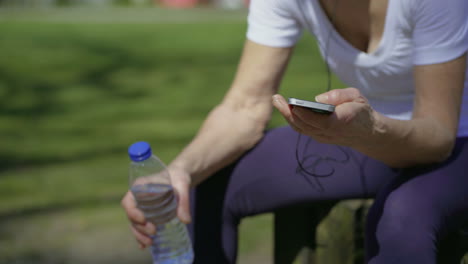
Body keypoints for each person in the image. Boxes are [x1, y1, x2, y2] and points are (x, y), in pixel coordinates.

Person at [121, 0, 468, 263]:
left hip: (454, 140)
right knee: (202, 184)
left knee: (401, 217)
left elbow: (437, 137)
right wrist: (180, 171)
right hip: (363, 130)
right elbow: (244, 106)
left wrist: (368, 130)